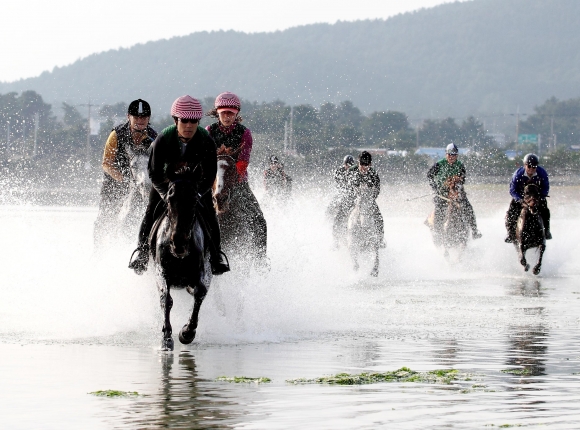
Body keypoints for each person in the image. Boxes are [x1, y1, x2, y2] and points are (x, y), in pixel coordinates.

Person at [128, 95, 230, 275]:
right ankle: (142, 253)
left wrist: (198, 194)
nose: (189, 125)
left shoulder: (206, 140)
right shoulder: (162, 139)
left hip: (196, 186)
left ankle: (216, 256)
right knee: (151, 210)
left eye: (194, 121)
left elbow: (210, 175)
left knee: (210, 212)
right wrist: (166, 193)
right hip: (166, 184)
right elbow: (154, 173)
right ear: (176, 120)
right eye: (184, 120)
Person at [206, 92, 268, 262]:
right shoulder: (209, 132)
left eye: (231, 113)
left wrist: (228, 183)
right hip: (212, 182)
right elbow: (206, 160)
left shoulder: (245, 133)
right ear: (217, 112)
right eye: (224, 113)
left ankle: (261, 259)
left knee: (259, 220)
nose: (227, 116)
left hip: (238, 182)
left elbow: (242, 163)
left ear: (237, 114)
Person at [94, 99, 157, 246]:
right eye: (136, 117)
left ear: (148, 119)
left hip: (143, 184)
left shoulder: (154, 138)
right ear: (129, 117)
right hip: (115, 182)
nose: (140, 121)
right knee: (105, 215)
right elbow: (106, 163)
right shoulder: (116, 135)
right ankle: (98, 247)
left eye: (144, 118)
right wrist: (124, 179)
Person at [427, 143, 482, 243]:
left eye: (454, 155)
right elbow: (429, 176)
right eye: (449, 154)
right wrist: (435, 188)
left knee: (469, 208)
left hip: (457, 193)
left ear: (457, 155)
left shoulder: (460, 166)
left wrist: (456, 184)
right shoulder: (439, 164)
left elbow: (462, 179)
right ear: (446, 154)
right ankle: (437, 232)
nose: (451, 157)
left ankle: (474, 231)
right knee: (439, 210)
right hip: (442, 194)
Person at [505, 153, 551, 242]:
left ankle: (547, 231)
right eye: (529, 166)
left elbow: (546, 187)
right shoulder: (517, 174)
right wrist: (519, 199)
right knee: (511, 212)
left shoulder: (542, 173)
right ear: (525, 165)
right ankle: (510, 234)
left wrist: (541, 197)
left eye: (534, 166)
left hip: (536, 196)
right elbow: (512, 190)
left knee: (545, 211)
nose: (531, 169)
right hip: (521, 196)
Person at [346, 151, 385, 247]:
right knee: (343, 212)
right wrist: (354, 196)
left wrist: (371, 198)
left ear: (370, 164)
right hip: (353, 198)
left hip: (368, 199)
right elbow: (347, 186)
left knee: (379, 217)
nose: (363, 167)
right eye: (361, 164)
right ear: (358, 162)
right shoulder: (351, 171)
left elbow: (377, 189)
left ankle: (380, 239)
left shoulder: (373, 173)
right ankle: (342, 236)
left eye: (366, 165)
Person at [329, 155, 356, 243]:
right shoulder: (339, 171)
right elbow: (339, 183)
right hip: (343, 194)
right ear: (344, 164)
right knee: (335, 211)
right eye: (347, 165)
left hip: (355, 195)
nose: (348, 166)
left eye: (350, 165)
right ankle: (335, 240)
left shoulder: (356, 170)